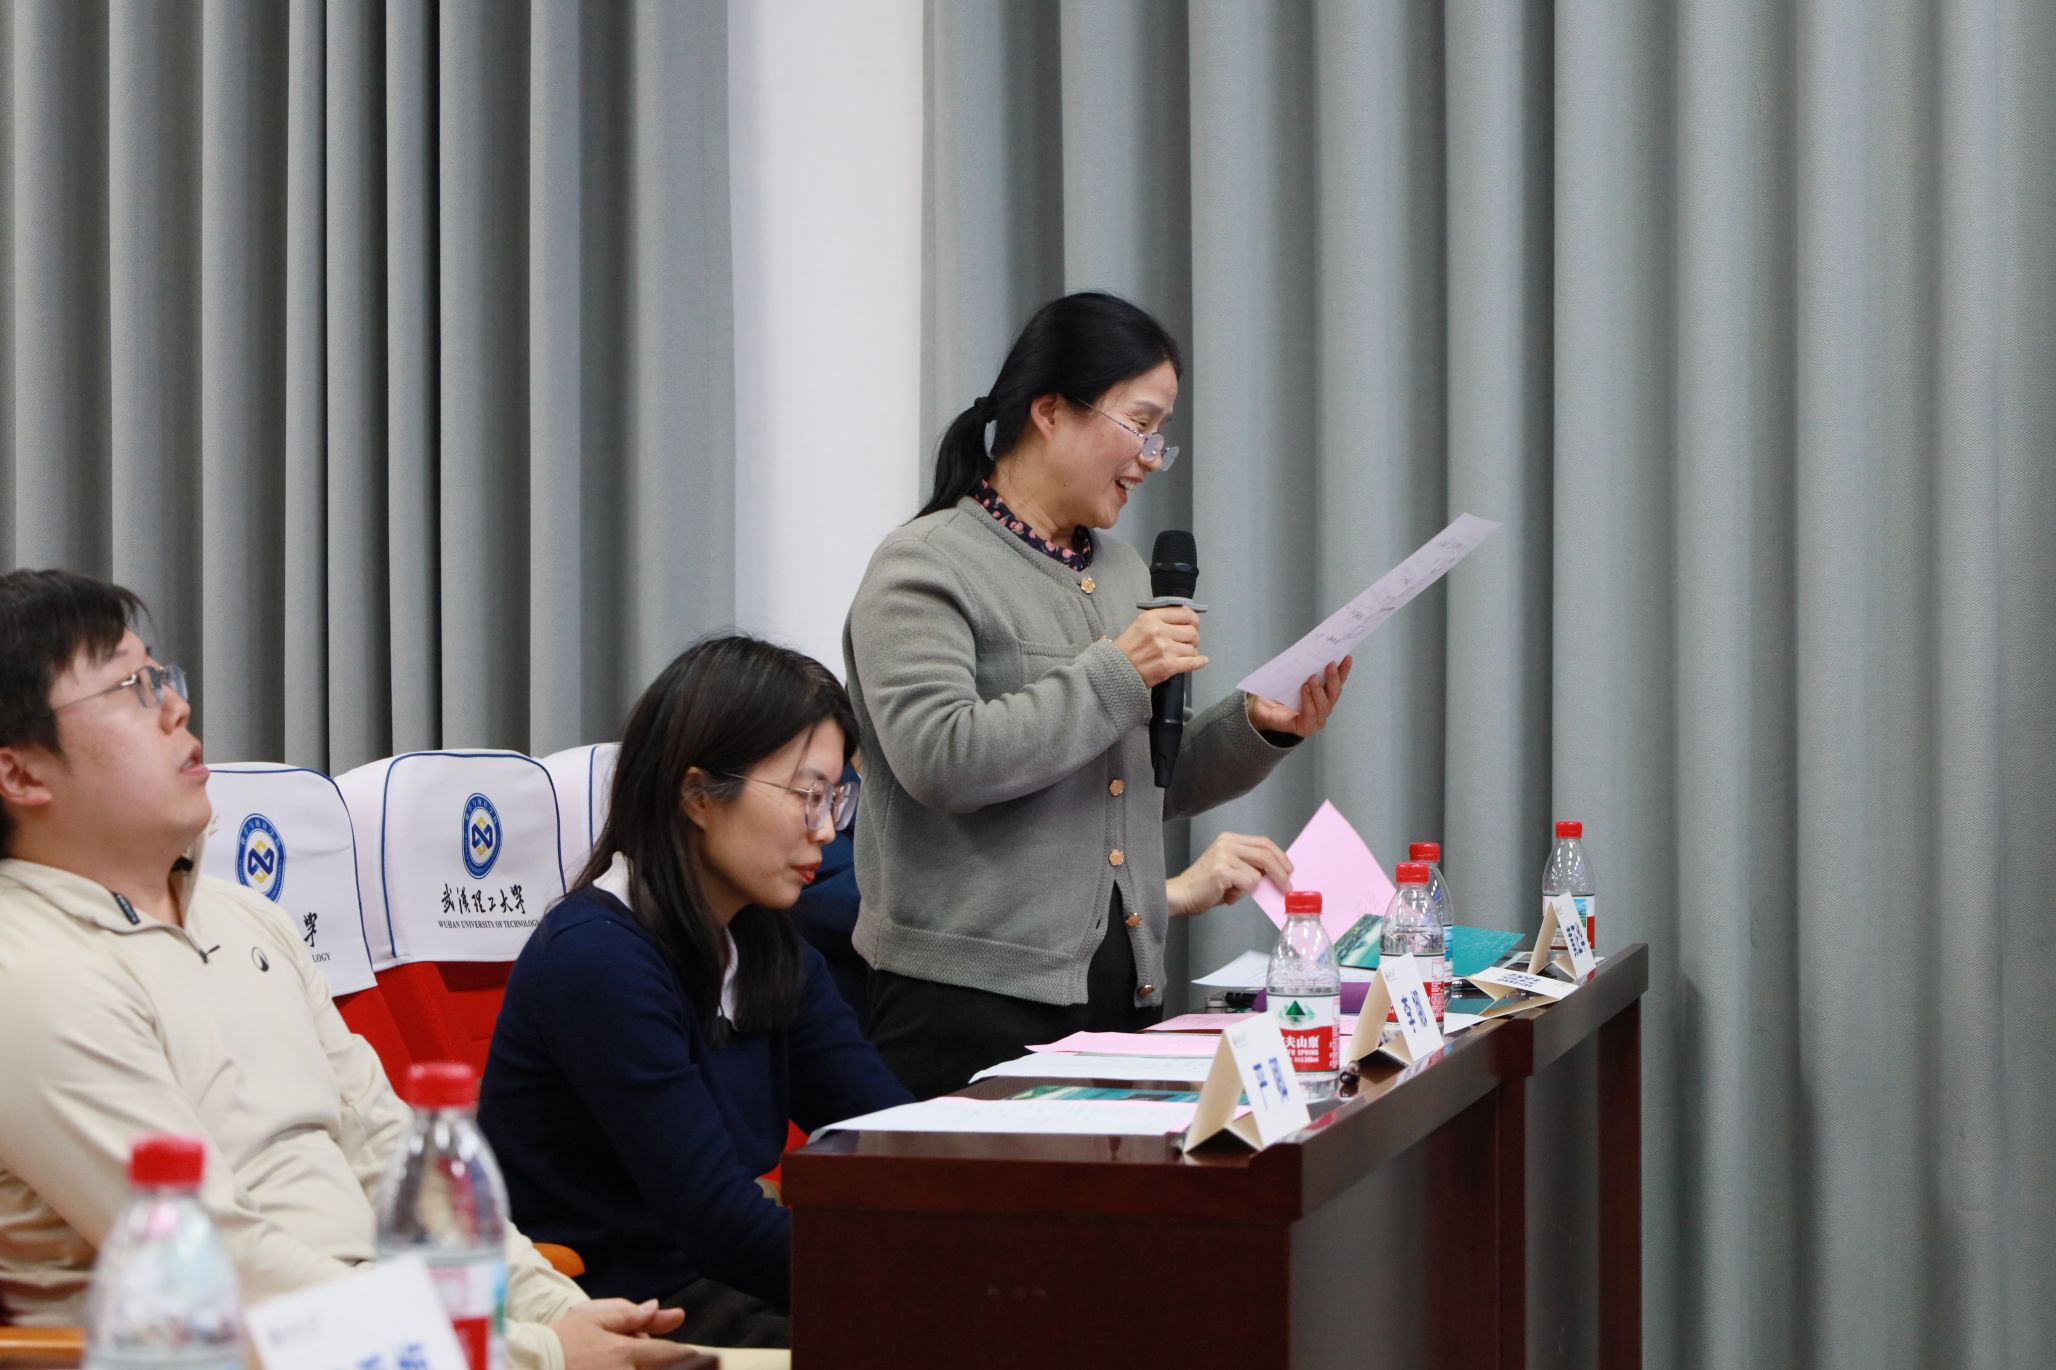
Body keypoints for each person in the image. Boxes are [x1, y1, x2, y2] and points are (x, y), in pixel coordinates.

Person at [0, 569, 727, 1370]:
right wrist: (537, 1353)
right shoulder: (30, 974)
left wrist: (560, 1310)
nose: (176, 707)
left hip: (395, 1335)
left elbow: (392, 1153)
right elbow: (218, 1265)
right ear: (22, 774)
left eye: (163, 677)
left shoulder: (248, 918)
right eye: (131, 688)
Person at [845, 291, 1352, 1098]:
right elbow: (940, 761)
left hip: (1123, 991)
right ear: (1050, 411)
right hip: (964, 1007)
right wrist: (1119, 671)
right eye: (1140, 425)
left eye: (1161, 435)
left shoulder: (1120, 572)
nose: (1150, 458)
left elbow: (1146, 777)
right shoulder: (924, 565)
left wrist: (1260, 725)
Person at [478, 635, 912, 1351]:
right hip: (617, 1308)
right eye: (807, 796)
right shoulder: (596, 959)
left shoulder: (765, 945)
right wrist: (924, 1277)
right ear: (698, 795)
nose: (826, 830)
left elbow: (888, 1132)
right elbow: (716, 1221)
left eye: (837, 798)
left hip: (718, 1279)